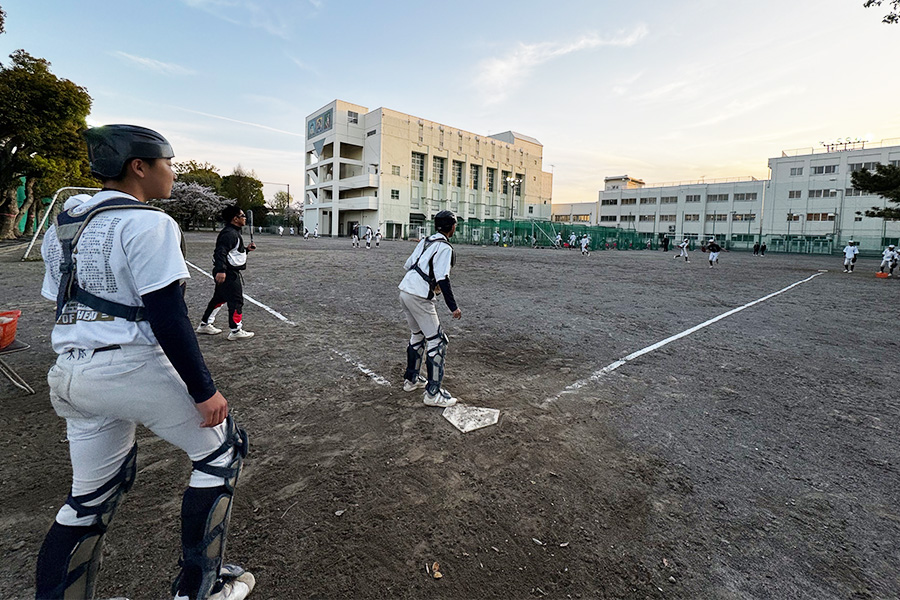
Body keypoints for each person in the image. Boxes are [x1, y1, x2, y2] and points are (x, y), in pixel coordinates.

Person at [36, 125, 254, 600]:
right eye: (168, 163)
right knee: (222, 452)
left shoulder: (63, 226)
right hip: (129, 365)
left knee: (88, 499)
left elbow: (59, 300)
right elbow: (168, 316)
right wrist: (203, 389)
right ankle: (201, 586)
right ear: (139, 166)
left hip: (70, 371)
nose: (173, 173)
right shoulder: (150, 223)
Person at [398, 210, 462, 408]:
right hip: (418, 296)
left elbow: (409, 265)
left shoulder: (425, 241)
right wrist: (453, 307)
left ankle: (411, 380)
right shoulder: (444, 247)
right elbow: (443, 278)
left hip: (405, 290)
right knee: (438, 341)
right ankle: (433, 393)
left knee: (417, 335)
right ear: (451, 227)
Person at [196, 205, 256, 340]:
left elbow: (233, 253)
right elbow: (220, 252)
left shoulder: (233, 232)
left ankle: (205, 324)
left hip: (227, 271)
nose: (245, 218)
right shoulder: (230, 234)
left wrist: (246, 249)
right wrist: (221, 270)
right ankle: (236, 330)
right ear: (235, 219)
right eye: (242, 216)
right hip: (228, 273)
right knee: (236, 300)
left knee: (219, 298)